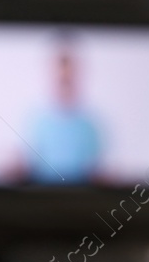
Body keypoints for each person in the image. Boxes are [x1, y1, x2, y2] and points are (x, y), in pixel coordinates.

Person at [22, 37, 103, 184]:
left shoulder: (90, 126)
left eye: (69, 81)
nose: (65, 88)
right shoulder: (36, 122)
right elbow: (28, 167)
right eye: (61, 82)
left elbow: (95, 171)